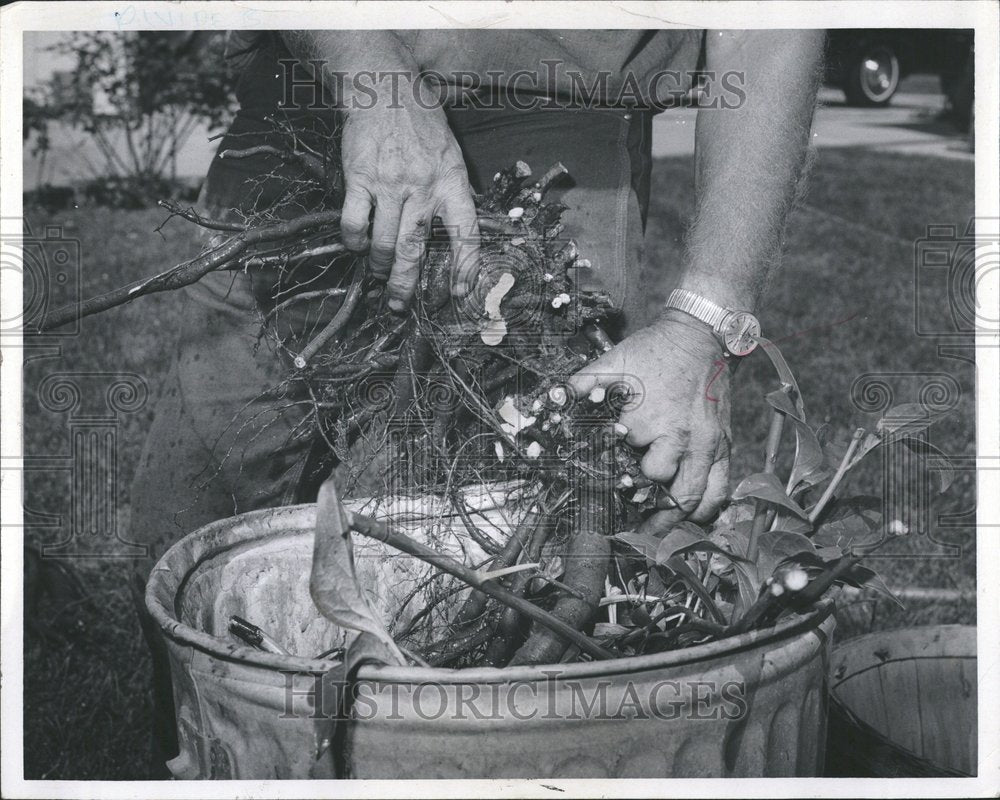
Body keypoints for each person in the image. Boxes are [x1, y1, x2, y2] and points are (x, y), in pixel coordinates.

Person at [130, 29, 824, 773]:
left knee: (494, 574)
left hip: (550, 105)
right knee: (188, 533)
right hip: (306, 80)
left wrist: (704, 321)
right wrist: (371, 71)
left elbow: (772, 25)